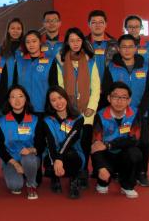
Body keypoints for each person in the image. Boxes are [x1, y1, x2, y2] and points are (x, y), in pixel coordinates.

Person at [49, 27, 100, 188]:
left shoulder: (90, 61)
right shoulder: (61, 61)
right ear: (67, 43)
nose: (75, 43)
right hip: (68, 111)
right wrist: (67, 108)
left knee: (84, 143)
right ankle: (64, 170)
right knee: (66, 142)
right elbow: (60, 87)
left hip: (86, 112)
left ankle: (82, 171)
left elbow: (96, 87)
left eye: (78, 40)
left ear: (83, 42)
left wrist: (91, 107)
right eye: (72, 40)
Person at [91, 82, 142, 199]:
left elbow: (134, 139)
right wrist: (101, 167)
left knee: (135, 153)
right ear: (109, 98)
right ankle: (103, 181)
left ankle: (127, 185)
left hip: (123, 153)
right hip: (106, 154)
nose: (119, 101)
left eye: (123, 97)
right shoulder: (100, 115)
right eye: (115, 97)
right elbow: (96, 144)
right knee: (97, 149)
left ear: (129, 100)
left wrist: (109, 145)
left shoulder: (135, 113)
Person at [124, 15, 149, 186]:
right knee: (123, 135)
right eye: (130, 26)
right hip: (123, 103)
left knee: (143, 138)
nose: (133, 29)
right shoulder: (121, 45)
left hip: (142, 100)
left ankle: (142, 172)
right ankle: (124, 170)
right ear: (126, 28)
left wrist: (144, 104)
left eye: (136, 26)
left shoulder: (148, 46)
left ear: (141, 28)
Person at [0, 85, 42, 200]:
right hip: (11, 160)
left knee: (29, 159)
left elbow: (41, 145)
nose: (17, 100)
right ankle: (22, 174)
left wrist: (31, 150)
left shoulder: (35, 120)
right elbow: (0, 148)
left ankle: (31, 184)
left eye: (20, 96)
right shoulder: (1, 121)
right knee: (15, 186)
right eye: (13, 97)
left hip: (30, 158)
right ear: (8, 100)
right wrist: (15, 164)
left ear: (26, 98)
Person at [42, 86, 85, 199]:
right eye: (53, 100)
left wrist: (59, 158)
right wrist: (55, 160)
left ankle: (74, 179)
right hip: (53, 154)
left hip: (73, 152)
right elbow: (50, 142)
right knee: (49, 164)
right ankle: (55, 177)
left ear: (66, 98)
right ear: (50, 103)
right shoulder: (47, 120)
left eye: (60, 98)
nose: (58, 102)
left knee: (71, 155)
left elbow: (70, 139)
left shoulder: (78, 118)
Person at [101, 34, 149, 119]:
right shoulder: (111, 68)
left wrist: (140, 112)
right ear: (118, 49)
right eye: (124, 47)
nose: (127, 50)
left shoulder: (145, 68)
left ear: (135, 48)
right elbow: (106, 91)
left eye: (130, 47)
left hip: (140, 114)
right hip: (117, 115)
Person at [14, 30, 51, 115]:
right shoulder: (19, 62)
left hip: (44, 108)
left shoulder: (50, 61)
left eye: (34, 41)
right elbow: (15, 85)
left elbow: (54, 85)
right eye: (28, 42)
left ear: (40, 42)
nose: (31, 44)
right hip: (23, 108)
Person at [85, 10, 118, 79]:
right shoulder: (83, 44)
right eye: (94, 22)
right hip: (89, 82)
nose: (97, 25)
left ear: (106, 24)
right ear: (88, 24)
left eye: (101, 22)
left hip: (110, 83)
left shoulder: (115, 44)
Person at [0, 18, 24, 87]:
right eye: (13, 28)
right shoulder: (1, 49)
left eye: (18, 28)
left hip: (23, 87)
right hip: (5, 86)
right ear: (8, 30)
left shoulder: (26, 48)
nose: (15, 31)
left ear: (22, 31)